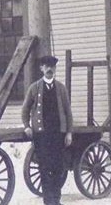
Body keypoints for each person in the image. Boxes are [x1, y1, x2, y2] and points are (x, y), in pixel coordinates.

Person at [22, 55, 74, 205]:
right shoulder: (34, 88)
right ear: (41, 69)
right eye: (46, 66)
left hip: (58, 134)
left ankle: (56, 200)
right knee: (44, 168)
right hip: (41, 135)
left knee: (58, 168)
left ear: (55, 69)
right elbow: (25, 110)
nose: (49, 69)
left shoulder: (61, 88)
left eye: (52, 66)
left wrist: (69, 132)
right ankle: (48, 201)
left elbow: (68, 112)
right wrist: (27, 126)